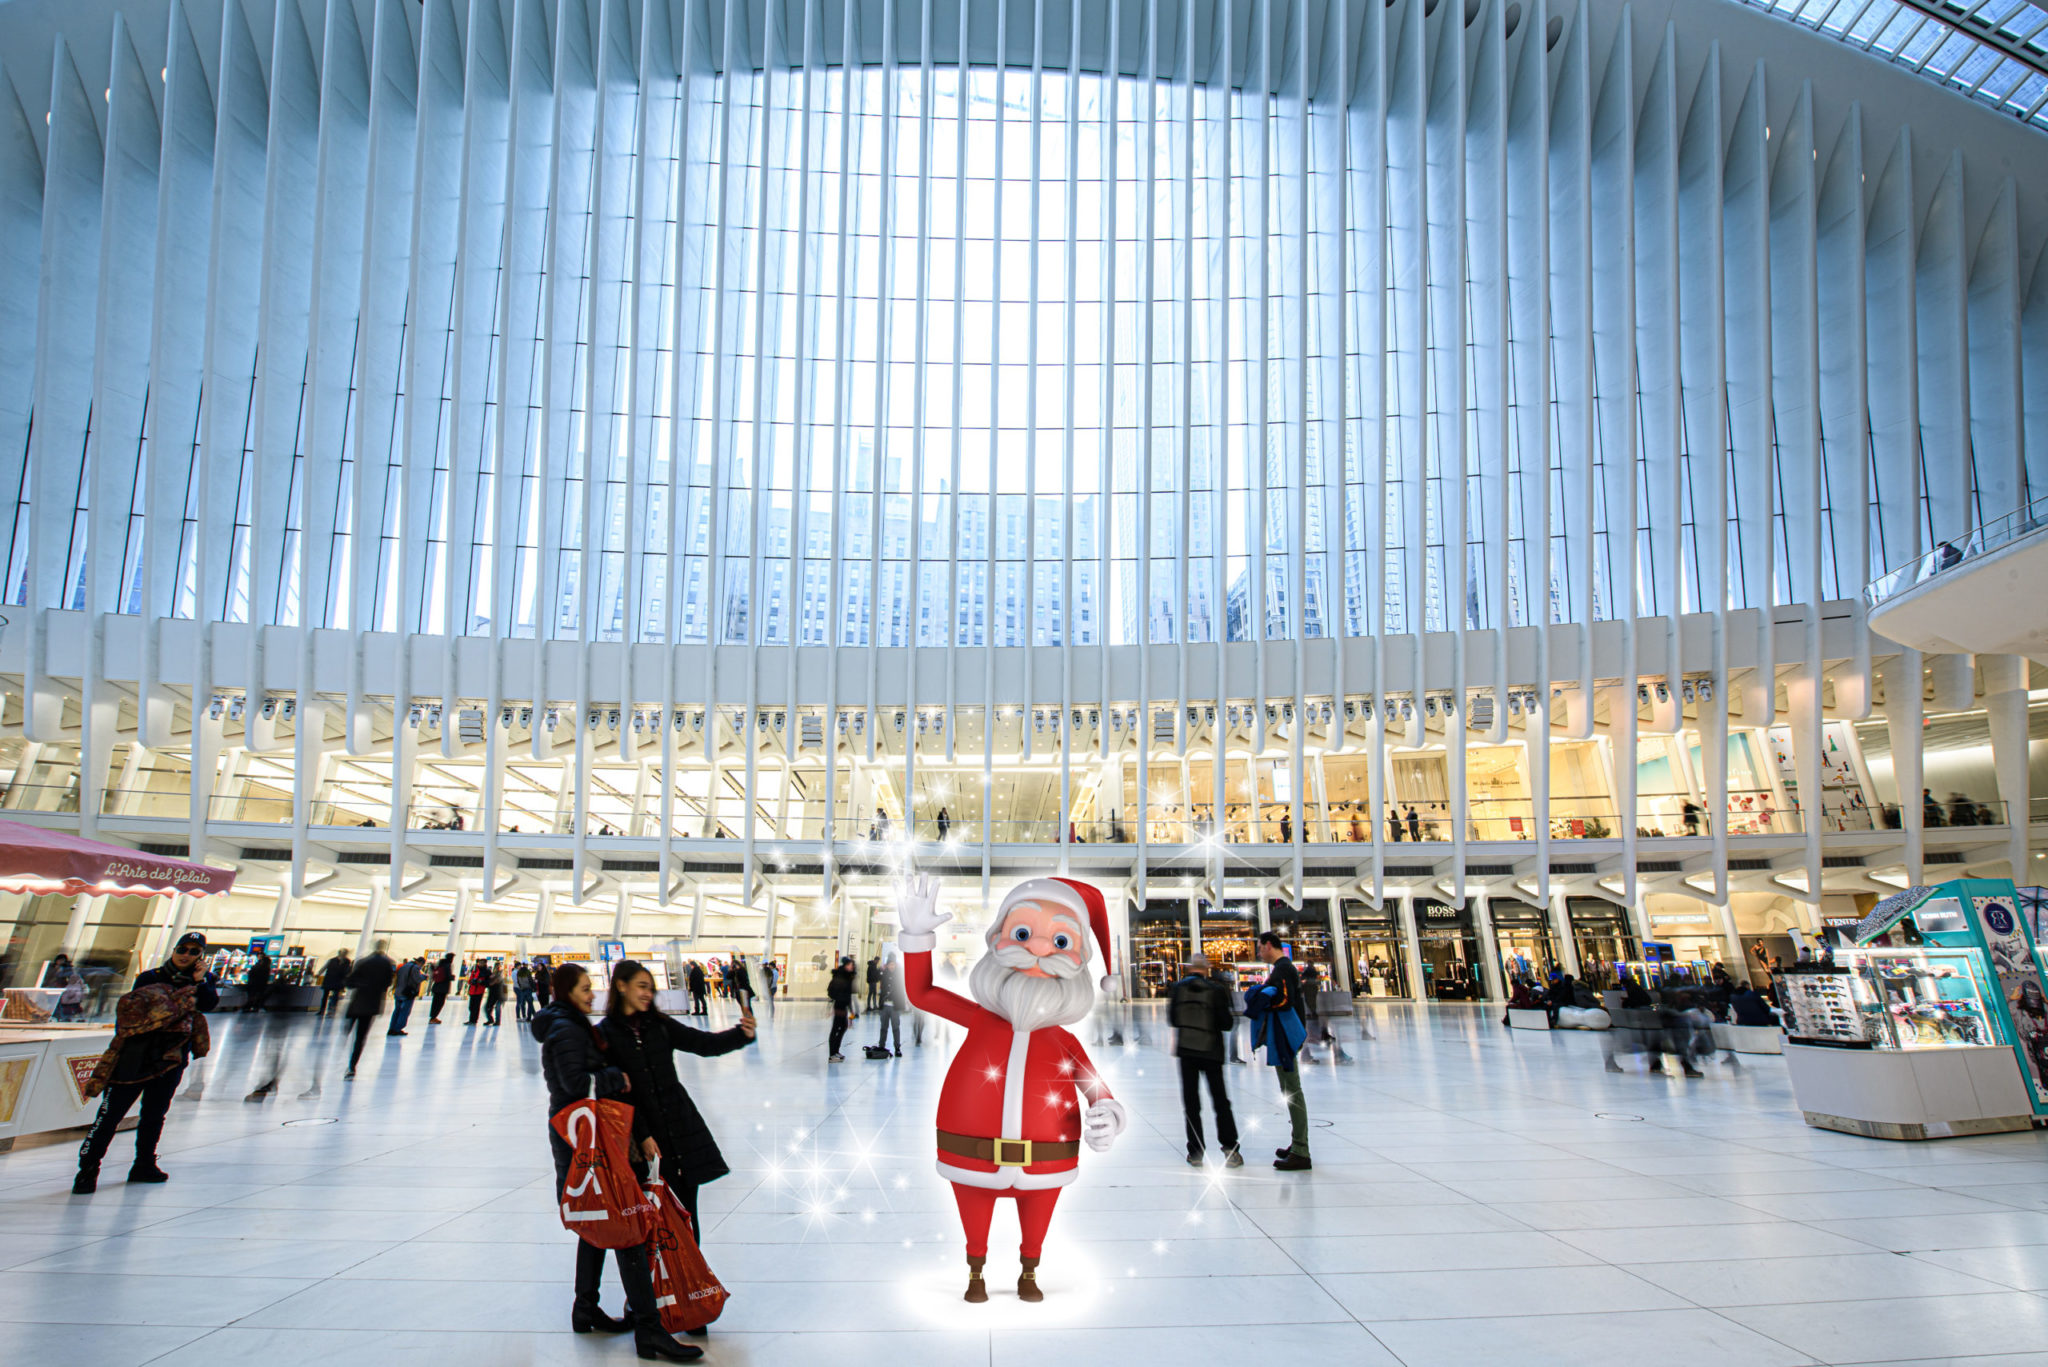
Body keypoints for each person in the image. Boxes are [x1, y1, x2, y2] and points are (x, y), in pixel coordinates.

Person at [893, 874, 1128, 1304]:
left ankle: (1029, 1270)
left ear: (1079, 958)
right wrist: (916, 936)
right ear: (997, 938)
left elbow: (1094, 1085)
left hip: (1046, 1156)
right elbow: (922, 992)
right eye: (1023, 933)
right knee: (973, 1213)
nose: (1038, 947)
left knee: (1038, 1215)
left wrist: (1109, 1112)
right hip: (971, 1151)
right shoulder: (981, 1019)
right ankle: (975, 1271)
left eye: (1059, 941)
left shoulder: (1063, 1040)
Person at [532, 963, 701, 1363]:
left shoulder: (569, 1023)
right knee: (627, 1225)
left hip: (579, 1137)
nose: (592, 994)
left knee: (598, 1222)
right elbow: (575, 1084)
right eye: (585, 988)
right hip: (585, 1140)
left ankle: (585, 1308)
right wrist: (613, 1076)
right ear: (566, 992)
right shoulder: (568, 1029)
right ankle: (649, 1330)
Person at [600, 959, 755, 1339]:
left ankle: (690, 1299)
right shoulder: (606, 1035)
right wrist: (642, 1134)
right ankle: (643, 1305)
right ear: (620, 986)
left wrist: (741, 1034)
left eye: (650, 987)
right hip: (642, 1145)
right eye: (640, 986)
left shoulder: (660, 1026)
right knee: (646, 1227)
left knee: (686, 1218)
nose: (647, 993)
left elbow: (704, 1045)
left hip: (681, 1134)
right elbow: (616, 1092)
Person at [73, 931, 216, 1194]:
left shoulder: (202, 981)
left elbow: (209, 1003)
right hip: (134, 1057)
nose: (186, 955)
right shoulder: (149, 977)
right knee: (110, 1115)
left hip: (171, 1058)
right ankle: (88, 1169)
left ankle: (143, 1163)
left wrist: (200, 981)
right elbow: (131, 1014)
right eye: (182, 949)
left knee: (154, 1114)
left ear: (201, 957)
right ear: (174, 950)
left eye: (194, 952)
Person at [1167, 955, 1240, 1168]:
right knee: (1220, 1101)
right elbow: (1227, 1024)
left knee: (1191, 1104)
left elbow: (1172, 1020)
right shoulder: (1216, 990)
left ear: (1190, 968)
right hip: (1212, 1052)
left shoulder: (1178, 989)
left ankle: (1196, 1152)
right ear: (1206, 968)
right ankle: (1230, 1149)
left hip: (1187, 1053)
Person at [1248, 931, 1311, 1171]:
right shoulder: (1283, 968)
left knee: (1292, 1091)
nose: (1258, 951)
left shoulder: (1283, 969)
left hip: (1285, 1037)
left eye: (1259, 947)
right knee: (1290, 1090)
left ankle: (1301, 1151)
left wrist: (1263, 997)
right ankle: (1297, 1144)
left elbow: (1284, 1000)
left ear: (1269, 945)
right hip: (1284, 1036)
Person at [344, 940, 398, 1079]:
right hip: (371, 1003)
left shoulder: (362, 962)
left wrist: (362, 984)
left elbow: (349, 982)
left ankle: (346, 1060)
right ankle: (352, 1065)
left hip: (358, 1002)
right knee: (361, 1037)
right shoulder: (386, 964)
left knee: (349, 1033)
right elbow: (388, 983)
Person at [874, 948, 905, 1056]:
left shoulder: (900, 974)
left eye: (893, 964)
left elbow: (902, 990)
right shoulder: (883, 973)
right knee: (883, 1027)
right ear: (887, 965)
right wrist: (880, 970)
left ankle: (897, 1047)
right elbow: (874, 977)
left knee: (895, 1027)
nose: (891, 966)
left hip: (894, 1006)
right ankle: (881, 1046)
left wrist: (902, 1004)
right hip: (884, 1006)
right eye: (889, 964)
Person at [827, 954, 856, 1061]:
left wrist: (851, 1009)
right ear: (845, 965)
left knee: (842, 1027)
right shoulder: (839, 976)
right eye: (850, 965)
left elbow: (848, 994)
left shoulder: (848, 977)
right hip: (839, 1005)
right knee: (836, 1028)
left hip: (844, 1006)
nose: (852, 967)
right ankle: (832, 1053)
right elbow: (831, 991)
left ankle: (836, 1051)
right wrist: (840, 998)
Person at [388, 955, 426, 1036]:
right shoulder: (415, 968)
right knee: (404, 1011)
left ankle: (392, 1028)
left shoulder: (403, 966)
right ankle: (398, 1029)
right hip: (407, 993)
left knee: (397, 1011)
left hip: (398, 991)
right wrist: (424, 977)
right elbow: (418, 979)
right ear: (420, 963)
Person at [318, 948, 352, 1018]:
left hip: (338, 981)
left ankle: (331, 1010)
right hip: (330, 979)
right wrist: (318, 973)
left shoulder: (347, 961)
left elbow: (348, 971)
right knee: (326, 996)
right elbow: (325, 967)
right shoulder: (332, 960)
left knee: (335, 996)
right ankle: (322, 1009)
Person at [242, 944, 272, 1013]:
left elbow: (252, 974)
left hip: (254, 984)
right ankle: (254, 1007)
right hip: (259, 984)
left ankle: (248, 1007)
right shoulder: (265, 967)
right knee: (257, 996)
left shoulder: (257, 966)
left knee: (252, 996)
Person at [428, 952, 454, 1023]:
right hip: (443, 988)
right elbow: (448, 976)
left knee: (435, 1002)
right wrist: (452, 977)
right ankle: (434, 1017)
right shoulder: (447, 965)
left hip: (436, 986)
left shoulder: (440, 964)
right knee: (440, 1003)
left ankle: (432, 1017)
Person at [486, 961, 508, 1026]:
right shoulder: (493, 974)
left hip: (500, 994)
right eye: (497, 966)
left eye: (499, 966)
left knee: (497, 1007)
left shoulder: (501, 974)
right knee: (488, 1007)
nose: (498, 967)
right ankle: (490, 1019)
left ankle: (497, 1021)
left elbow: (500, 983)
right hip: (493, 994)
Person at [466, 959, 489, 1024]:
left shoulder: (486, 971)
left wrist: (481, 982)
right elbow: (470, 979)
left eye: (482, 963)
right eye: (480, 962)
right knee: (471, 1006)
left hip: (479, 991)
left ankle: (473, 1020)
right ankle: (471, 1019)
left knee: (476, 1006)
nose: (480, 964)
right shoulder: (475, 970)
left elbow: (488, 982)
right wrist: (471, 981)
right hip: (472, 990)